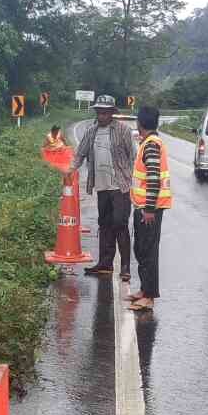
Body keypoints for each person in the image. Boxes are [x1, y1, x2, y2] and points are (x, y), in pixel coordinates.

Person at [70, 94, 136, 279]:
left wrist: (131, 177)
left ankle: (125, 267)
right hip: (102, 187)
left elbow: (133, 155)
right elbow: (80, 154)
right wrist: (70, 169)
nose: (102, 116)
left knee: (120, 224)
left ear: (112, 113)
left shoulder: (123, 131)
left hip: (119, 186)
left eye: (106, 112)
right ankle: (105, 264)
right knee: (104, 224)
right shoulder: (91, 132)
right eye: (99, 112)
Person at [126, 106, 172, 311]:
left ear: (140, 123)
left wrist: (149, 209)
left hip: (149, 208)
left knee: (148, 251)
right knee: (142, 249)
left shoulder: (151, 145)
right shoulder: (148, 142)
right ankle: (144, 290)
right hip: (144, 206)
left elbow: (153, 179)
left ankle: (149, 296)